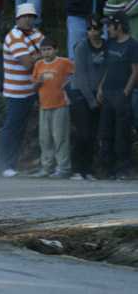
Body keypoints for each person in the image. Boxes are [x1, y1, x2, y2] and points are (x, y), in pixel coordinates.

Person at [0, 3, 44, 177]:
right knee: (12, 128)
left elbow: (51, 54)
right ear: (18, 18)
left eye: (31, 16)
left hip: (33, 90)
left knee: (26, 129)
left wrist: (37, 58)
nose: (28, 19)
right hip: (16, 92)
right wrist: (39, 57)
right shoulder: (13, 36)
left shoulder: (37, 34)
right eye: (25, 16)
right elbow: (28, 64)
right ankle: (4, 165)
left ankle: (17, 164)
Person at [96, 12, 138, 180]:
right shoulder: (110, 44)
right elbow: (107, 68)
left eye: (109, 26)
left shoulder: (133, 45)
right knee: (106, 131)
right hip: (107, 92)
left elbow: (136, 71)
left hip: (121, 94)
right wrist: (100, 88)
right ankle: (107, 168)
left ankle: (124, 168)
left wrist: (126, 92)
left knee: (122, 133)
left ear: (118, 25)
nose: (107, 29)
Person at [31, 38, 74, 178]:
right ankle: (47, 167)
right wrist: (39, 81)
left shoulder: (64, 62)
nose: (46, 52)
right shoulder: (38, 64)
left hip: (60, 104)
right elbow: (34, 86)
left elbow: (75, 75)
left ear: (56, 49)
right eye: (43, 50)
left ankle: (64, 168)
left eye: (49, 49)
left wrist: (67, 86)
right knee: (45, 138)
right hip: (44, 105)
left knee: (60, 137)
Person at [69, 15, 104, 181]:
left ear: (101, 30)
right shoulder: (81, 47)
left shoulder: (106, 46)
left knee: (92, 134)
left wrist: (100, 94)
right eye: (89, 29)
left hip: (99, 94)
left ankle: (88, 169)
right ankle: (76, 169)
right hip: (81, 94)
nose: (92, 32)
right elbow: (80, 76)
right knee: (82, 133)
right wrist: (91, 101)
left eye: (95, 28)